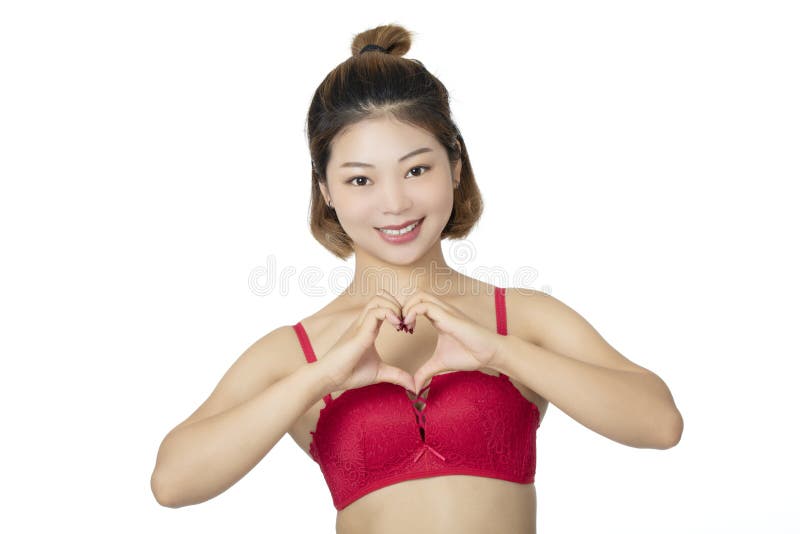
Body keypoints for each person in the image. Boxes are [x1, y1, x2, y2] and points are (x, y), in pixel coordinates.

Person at [150, 23, 683, 533]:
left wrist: (499, 353)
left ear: (455, 165)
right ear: (327, 190)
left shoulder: (519, 319)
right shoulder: (299, 353)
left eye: (416, 169)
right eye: (361, 179)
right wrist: (322, 376)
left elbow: (660, 424)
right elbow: (173, 483)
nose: (395, 202)